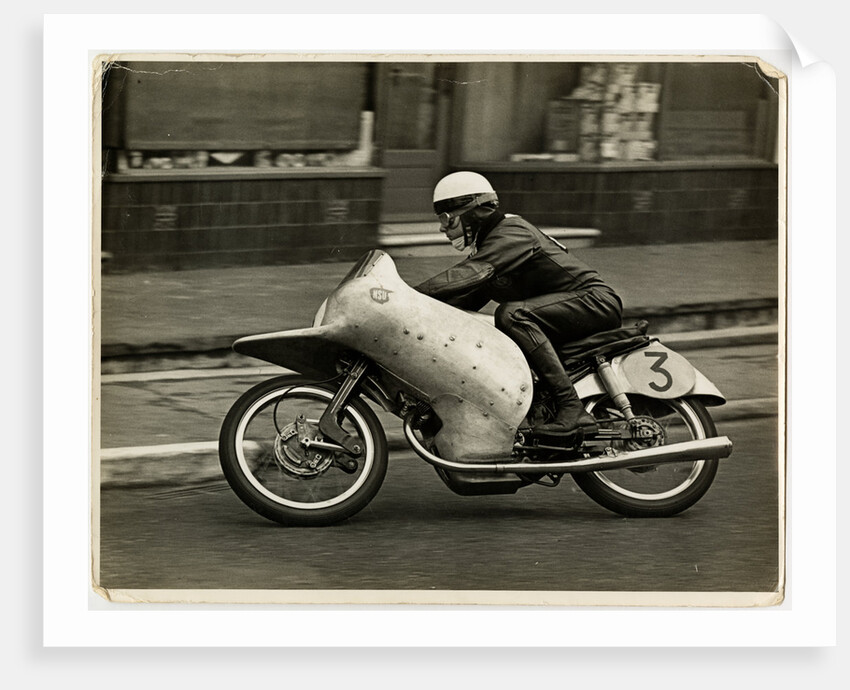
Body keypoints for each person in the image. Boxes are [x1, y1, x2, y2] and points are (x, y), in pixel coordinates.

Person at [414, 171, 623, 437]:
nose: (443, 228)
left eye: (446, 218)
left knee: (512, 315)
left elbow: (472, 273)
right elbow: (460, 301)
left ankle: (572, 409)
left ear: (472, 212)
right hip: (570, 309)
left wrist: (405, 294)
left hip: (595, 301)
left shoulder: (512, 232)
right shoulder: (489, 247)